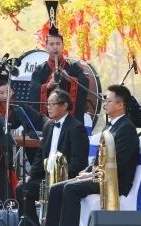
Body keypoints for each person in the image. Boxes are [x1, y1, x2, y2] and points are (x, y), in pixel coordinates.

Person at [44, 84, 139, 226]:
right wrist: (87, 171)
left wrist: (91, 174)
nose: (104, 103)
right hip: (101, 176)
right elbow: (99, 158)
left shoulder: (127, 128)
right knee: (56, 188)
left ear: (120, 105)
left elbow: (119, 164)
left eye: (108, 101)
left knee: (70, 189)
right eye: (104, 100)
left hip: (115, 181)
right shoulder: (110, 126)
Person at [0, 58, 45, 201]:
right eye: (1, 92)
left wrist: (49, 123)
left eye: (8, 92)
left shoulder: (17, 107)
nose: (5, 96)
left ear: (13, 92)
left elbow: (38, 119)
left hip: (7, 150)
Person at [15, 89, 89, 226]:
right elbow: (40, 155)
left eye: (52, 104)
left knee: (55, 190)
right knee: (22, 189)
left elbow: (79, 161)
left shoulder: (76, 128)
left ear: (64, 106)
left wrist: (60, 177)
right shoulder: (48, 125)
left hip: (65, 179)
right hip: (46, 178)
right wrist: (31, 175)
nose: (48, 107)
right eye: (47, 104)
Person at [30, 2, 89, 123]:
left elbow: (84, 82)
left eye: (58, 44)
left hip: (69, 120)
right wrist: (48, 86)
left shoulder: (73, 67)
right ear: (46, 47)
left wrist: (69, 79)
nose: (55, 47)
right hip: (47, 121)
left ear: (63, 46)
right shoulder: (40, 70)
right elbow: (34, 90)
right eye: (51, 44)